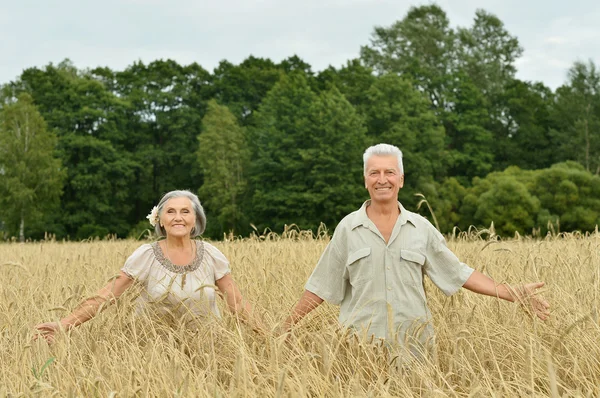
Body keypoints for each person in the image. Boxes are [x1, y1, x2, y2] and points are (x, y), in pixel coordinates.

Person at [281, 143, 550, 359]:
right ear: (365, 180)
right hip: (358, 353)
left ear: (401, 179)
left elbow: (457, 273)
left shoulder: (421, 228)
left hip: (414, 351)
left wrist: (511, 292)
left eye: (389, 172)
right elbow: (321, 285)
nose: (382, 179)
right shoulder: (348, 228)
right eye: (374, 173)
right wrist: (287, 325)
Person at [35, 190, 263, 343]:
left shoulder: (213, 256)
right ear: (160, 220)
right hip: (154, 355)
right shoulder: (146, 255)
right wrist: (66, 323)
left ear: (196, 219)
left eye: (185, 211)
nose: (178, 218)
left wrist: (269, 338)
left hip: (207, 354)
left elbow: (237, 303)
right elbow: (107, 295)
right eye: (170, 212)